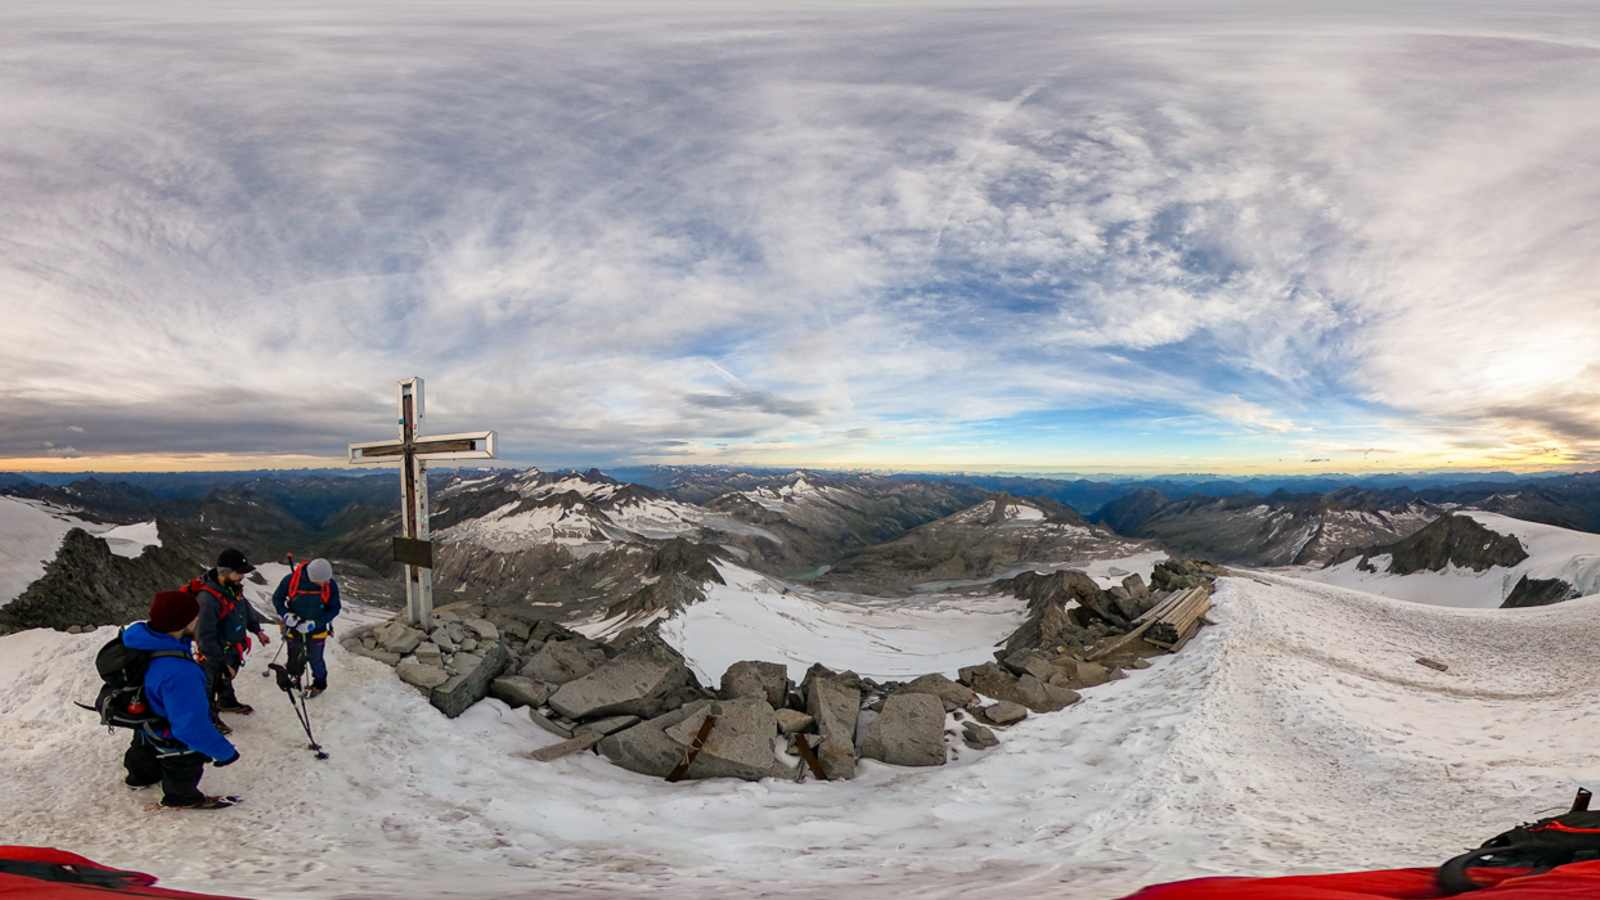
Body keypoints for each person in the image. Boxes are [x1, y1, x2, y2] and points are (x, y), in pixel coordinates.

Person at [121, 590, 240, 809]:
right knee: (188, 751)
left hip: (144, 721)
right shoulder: (180, 672)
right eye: (194, 616)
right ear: (181, 623)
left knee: (145, 741)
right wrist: (225, 752)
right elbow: (190, 727)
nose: (198, 620)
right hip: (165, 730)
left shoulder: (141, 641)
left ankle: (140, 776)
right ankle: (182, 796)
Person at [191, 548, 270, 729]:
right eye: (239, 573)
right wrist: (220, 663)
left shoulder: (232, 589)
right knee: (208, 686)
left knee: (225, 678)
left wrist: (257, 630)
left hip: (232, 649)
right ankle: (207, 719)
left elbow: (244, 609)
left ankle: (226, 701)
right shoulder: (207, 599)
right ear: (225, 572)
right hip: (215, 652)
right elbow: (204, 636)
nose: (242, 577)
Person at [272, 557, 341, 698]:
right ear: (312, 577)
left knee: (316, 659)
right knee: (293, 655)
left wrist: (315, 623)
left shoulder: (330, 585)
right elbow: (277, 599)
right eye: (323, 581)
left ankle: (320, 684)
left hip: (317, 630)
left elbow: (334, 609)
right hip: (294, 627)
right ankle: (294, 676)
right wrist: (286, 615)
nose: (326, 583)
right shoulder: (291, 581)